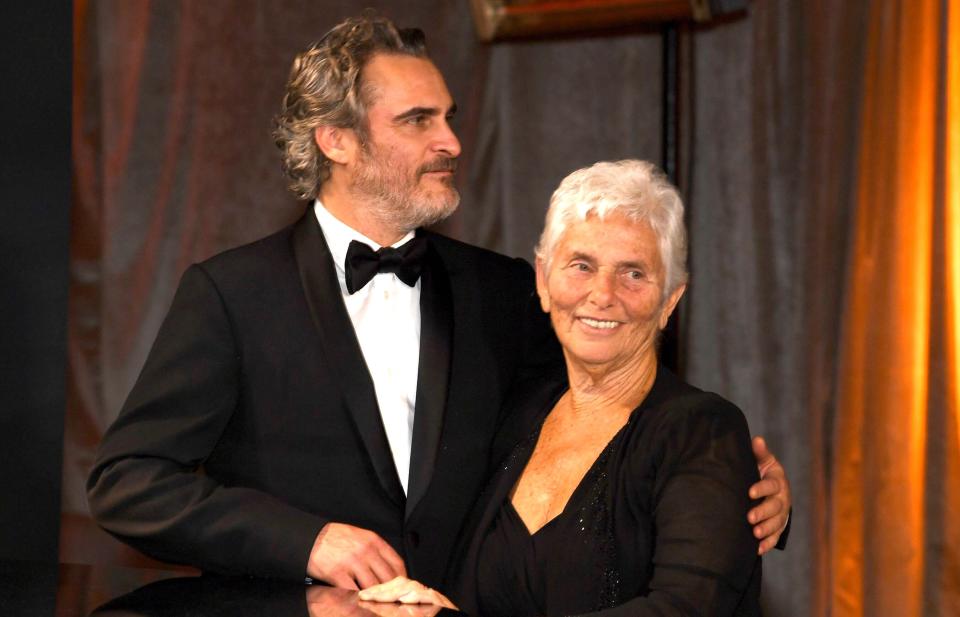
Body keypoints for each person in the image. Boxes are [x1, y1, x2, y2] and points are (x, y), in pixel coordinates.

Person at [86, 15, 790, 593]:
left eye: (448, 117)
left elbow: (608, 399)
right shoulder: (232, 294)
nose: (451, 141)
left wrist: (736, 484)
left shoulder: (503, 288)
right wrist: (308, 542)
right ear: (337, 140)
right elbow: (128, 480)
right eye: (418, 121)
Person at [358, 160, 764, 616]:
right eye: (581, 265)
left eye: (633, 273)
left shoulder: (701, 432)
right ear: (543, 281)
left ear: (670, 301)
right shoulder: (515, 411)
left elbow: (688, 608)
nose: (602, 293)